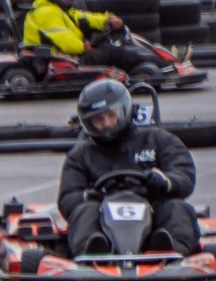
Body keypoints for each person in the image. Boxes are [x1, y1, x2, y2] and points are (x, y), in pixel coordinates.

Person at [61, 78, 200, 254]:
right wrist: (89, 196)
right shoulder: (81, 154)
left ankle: (171, 249)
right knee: (84, 211)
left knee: (177, 208)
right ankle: (91, 251)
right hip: (103, 217)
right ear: (88, 123)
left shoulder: (157, 139)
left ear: (124, 110)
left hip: (151, 208)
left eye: (111, 115)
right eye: (99, 119)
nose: (106, 124)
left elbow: (184, 174)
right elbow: (67, 198)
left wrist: (165, 182)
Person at [20, 0, 158, 76]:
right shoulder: (46, 12)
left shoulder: (61, 10)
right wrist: (84, 47)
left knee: (107, 45)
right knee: (113, 52)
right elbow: (67, 43)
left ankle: (152, 63)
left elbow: (86, 18)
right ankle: (149, 69)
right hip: (63, 60)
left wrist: (107, 19)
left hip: (71, 56)